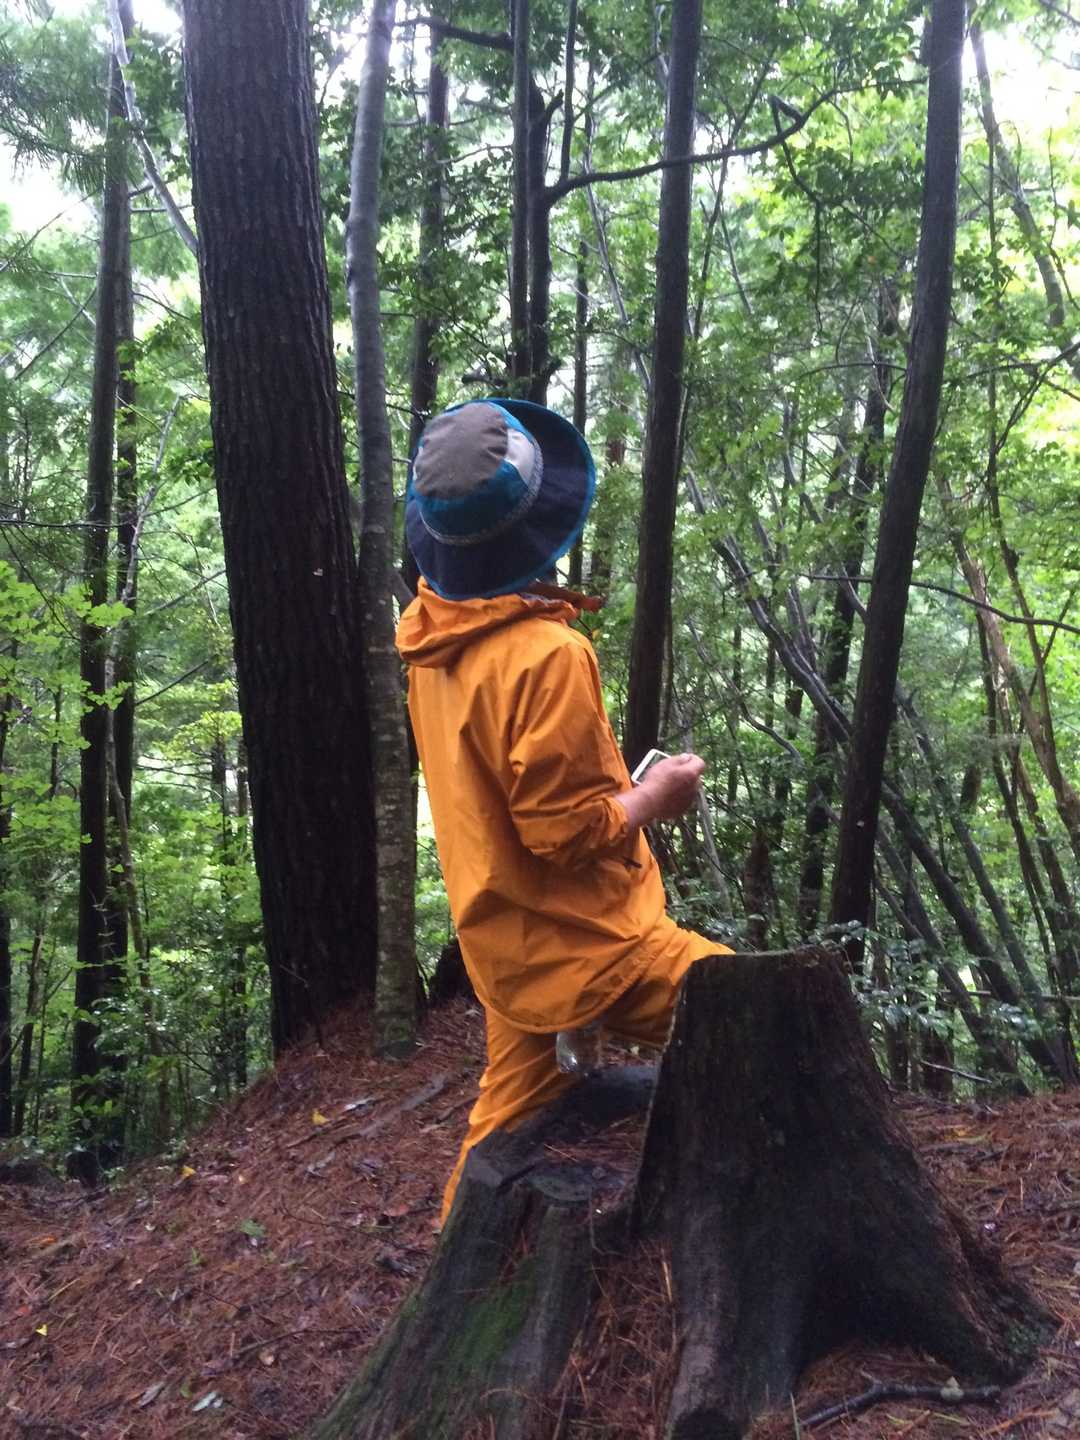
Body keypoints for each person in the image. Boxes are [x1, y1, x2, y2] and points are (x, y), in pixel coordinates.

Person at [395, 398, 727, 1226]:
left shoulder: (430, 640)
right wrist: (655, 797)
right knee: (769, 1021)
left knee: (500, 1131)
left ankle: (456, 1277)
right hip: (600, 946)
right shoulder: (546, 655)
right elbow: (565, 833)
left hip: (511, 946)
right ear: (539, 521)